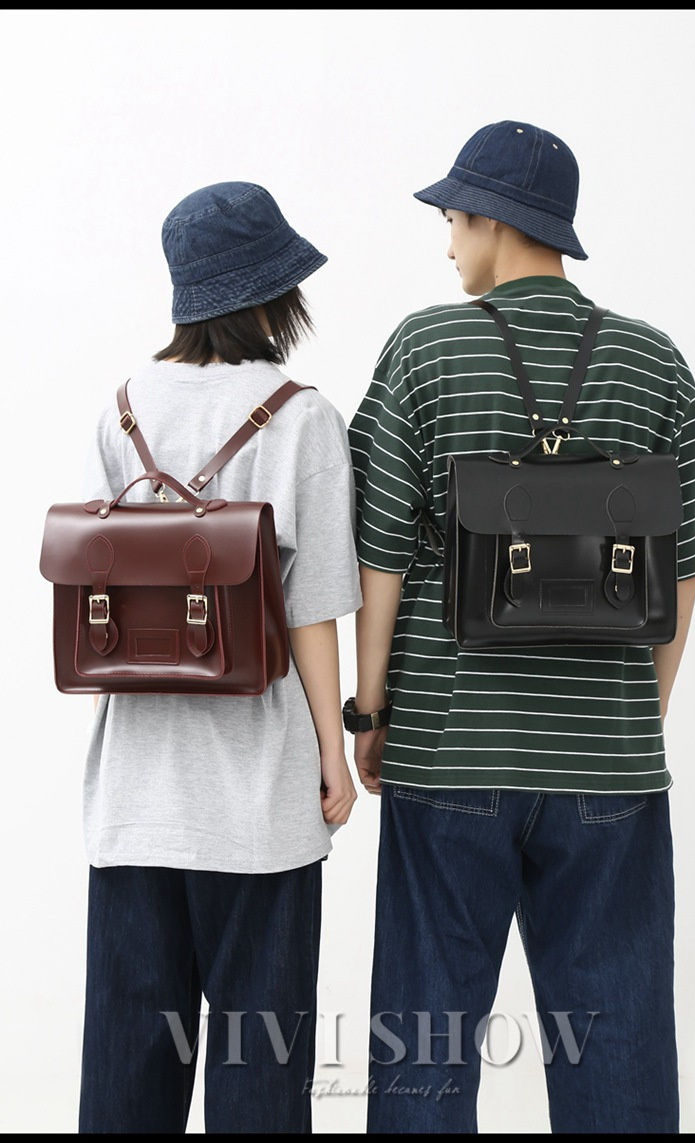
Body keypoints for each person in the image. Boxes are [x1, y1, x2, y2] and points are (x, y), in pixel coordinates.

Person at [347, 120, 695, 1133]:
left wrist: (370, 713)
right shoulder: (655, 360)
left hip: (447, 752)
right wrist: (638, 717)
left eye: (452, 218)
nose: (446, 241)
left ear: (494, 219)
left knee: (425, 1042)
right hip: (612, 770)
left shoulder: (425, 347)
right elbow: (687, 561)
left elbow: (379, 551)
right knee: (618, 1043)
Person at [77, 181, 362, 1133]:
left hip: (133, 797)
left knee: (126, 1088)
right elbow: (314, 608)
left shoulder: (123, 406)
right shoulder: (303, 417)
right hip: (258, 803)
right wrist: (333, 753)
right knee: (259, 1087)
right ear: (273, 294)